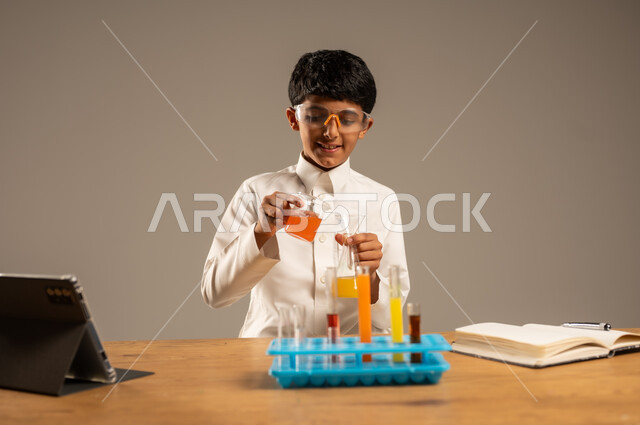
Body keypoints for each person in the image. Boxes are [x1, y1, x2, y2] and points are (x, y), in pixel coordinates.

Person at [201, 49, 410, 337]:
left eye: (347, 119)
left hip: (350, 364)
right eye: (315, 116)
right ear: (293, 118)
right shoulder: (256, 191)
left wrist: (371, 276)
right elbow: (215, 294)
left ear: (365, 126)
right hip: (269, 358)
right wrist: (261, 232)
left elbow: (391, 318)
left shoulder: (382, 200)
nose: (331, 132)